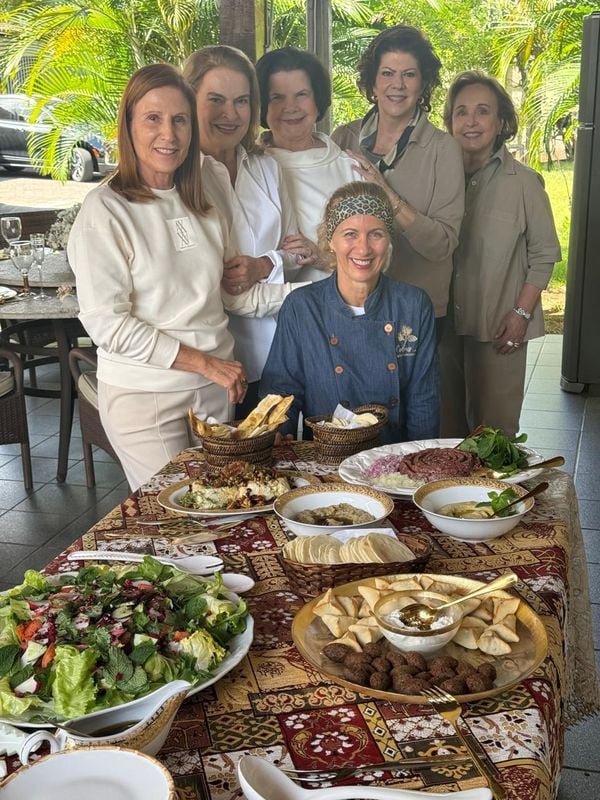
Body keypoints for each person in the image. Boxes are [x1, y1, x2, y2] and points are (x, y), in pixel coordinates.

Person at [68, 64, 297, 490]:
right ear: (129, 126)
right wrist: (206, 363)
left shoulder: (208, 183)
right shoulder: (105, 210)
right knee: (183, 523)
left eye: (179, 120)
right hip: (146, 397)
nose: (168, 135)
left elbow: (233, 294)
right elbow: (108, 324)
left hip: (214, 392)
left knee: (221, 514)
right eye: (153, 119)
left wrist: (321, 294)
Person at [183, 45, 313, 417]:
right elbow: (221, 290)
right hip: (219, 365)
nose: (231, 113)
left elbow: (295, 252)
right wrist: (326, 296)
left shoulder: (267, 168)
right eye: (216, 100)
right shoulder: (183, 178)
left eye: (241, 101)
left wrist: (264, 264)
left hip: (280, 354)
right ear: (191, 101)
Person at [259, 182, 440, 444]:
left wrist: (417, 465)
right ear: (330, 240)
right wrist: (277, 437)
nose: (363, 248)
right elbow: (281, 393)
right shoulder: (302, 307)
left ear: (388, 239)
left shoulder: (412, 305)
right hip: (324, 459)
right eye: (350, 234)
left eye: (376, 234)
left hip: (393, 460)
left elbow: (424, 401)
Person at [439, 71, 561, 438]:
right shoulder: (437, 178)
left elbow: (544, 253)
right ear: (450, 122)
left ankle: (501, 496)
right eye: (461, 112)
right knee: (446, 432)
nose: (471, 122)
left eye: (482, 112)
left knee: (495, 435)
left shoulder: (522, 182)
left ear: (501, 121)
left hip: (499, 328)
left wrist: (521, 313)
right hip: (442, 327)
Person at [332, 25, 464, 335]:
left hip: (415, 310)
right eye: (388, 73)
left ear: (423, 84)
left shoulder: (443, 149)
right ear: (373, 83)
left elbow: (443, 245)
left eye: (409, 75)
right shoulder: (343, 138)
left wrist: (387, 195)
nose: (398, 85)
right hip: (352, 305)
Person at [255, 46, 361, 281]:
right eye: (277, 97)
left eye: (301, 94)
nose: (290, 107)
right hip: (261, 312)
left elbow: (379, 253)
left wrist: (323, 258)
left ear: (318, 100)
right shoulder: (246, 168)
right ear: (262, 104)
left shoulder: (349, 169)